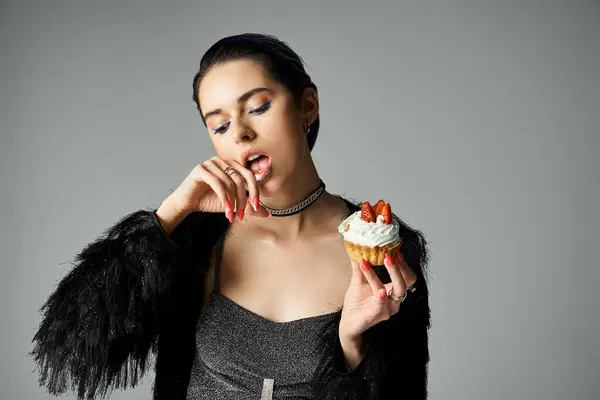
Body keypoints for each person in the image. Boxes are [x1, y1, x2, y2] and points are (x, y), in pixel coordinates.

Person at [30, 33, 431, 400]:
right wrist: (168, 216)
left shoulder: (381, 251)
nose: (239, 132)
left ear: (307, 106)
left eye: (257, 107)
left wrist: (351, 348)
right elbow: (69, 347)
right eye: (219, 125)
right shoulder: (196, 238)